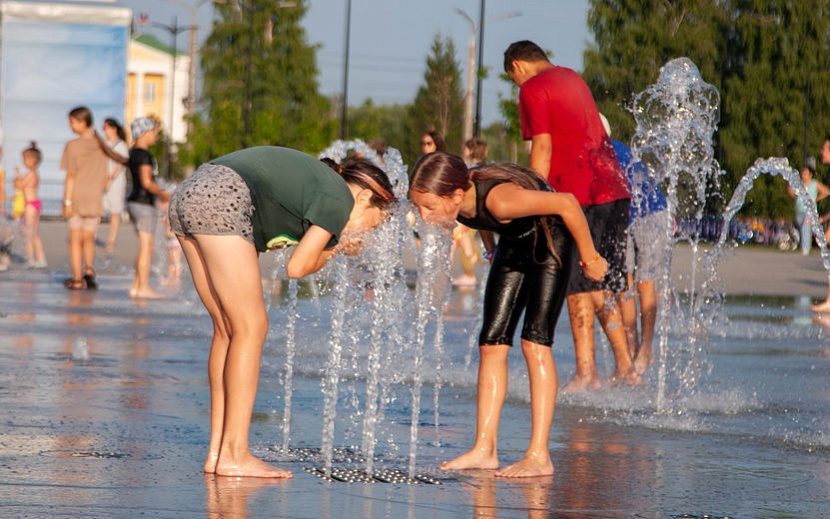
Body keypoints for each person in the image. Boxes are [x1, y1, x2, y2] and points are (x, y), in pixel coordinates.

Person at [168, 146, 396, 478]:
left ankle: (218, 452)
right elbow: (298, 267)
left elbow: (299, 256)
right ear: (364, 198)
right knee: (252, 327)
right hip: (221, 195)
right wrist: (341, 248)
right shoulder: (340, 198)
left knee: (227, 329)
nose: (369, 233)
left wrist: (334, 247)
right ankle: (235, 454)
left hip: (190, 194)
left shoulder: (319, 192)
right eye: (376, 223)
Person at [410, 152, 607, 478]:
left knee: (534, 342)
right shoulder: (462, 199)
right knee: (491, 344)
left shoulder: (500, 201)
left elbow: (568, 203)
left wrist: (590, 258)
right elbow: (479, 219)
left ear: (456, 195)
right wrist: (489, 248)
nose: (423, 215)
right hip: (513, 243)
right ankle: (484, 449)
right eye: (419, 207)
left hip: (550, 242)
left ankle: (539, 455)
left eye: (428, 207)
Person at [504, 40, 640, 391]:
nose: (517, 87)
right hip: (613, 189)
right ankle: (626, 367)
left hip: (580, 195)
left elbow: (543, 147)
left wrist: (532, 197)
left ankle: (586, 372)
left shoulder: (533, 87)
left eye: (512, 79)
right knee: (601, 281)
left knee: (578, 283)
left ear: (518, 66)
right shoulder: (571, 78)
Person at [601, 115, 668, 375]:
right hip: (626, 219)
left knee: (643, 281)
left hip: (649, 214)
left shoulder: (609, 150)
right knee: (625, 283)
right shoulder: (611, 148)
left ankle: (645, 349)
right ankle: (630, 353)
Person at [60, 106, 126, 290]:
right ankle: (89, 271)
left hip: (77, 196)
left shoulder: (73, 145)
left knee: (75, 238)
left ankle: (77, 278)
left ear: (82, 122)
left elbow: (71, 175)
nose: (70, 125)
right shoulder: (101, 144)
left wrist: (66, 201)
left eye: (72, 121)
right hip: (96, 197)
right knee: (89, 237)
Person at [126, 117, 171, 299]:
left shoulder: (133, 153)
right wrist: (165, 194)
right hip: (143, 204)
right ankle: (143, 286)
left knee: (144, 245)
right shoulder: (143, 154)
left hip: (135, 202)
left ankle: (136, 285)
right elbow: (147, 182)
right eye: (153, 132)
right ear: (143, 134)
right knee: (147, 246)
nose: (155, 136)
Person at [451, 138, 490, 286]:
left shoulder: (472, 169)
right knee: (463, 240)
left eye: (466, 148)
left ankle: (471, 272)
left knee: (463, 239)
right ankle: (475, 264)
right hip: (476, 209)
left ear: (472, 150)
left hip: (471, 210)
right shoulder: (484, 167)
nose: (463, 151)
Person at [13, 142, 47, 268]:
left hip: (30, 205)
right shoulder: (35, 174)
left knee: (28, 234)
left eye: (24, 159)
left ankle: (31, 258)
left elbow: (19, 185)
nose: (23, 162)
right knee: (34, 233)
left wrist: (17, 175)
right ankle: (41, 258)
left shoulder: (30, 174)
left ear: (32, 160)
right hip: (36, 204)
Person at [787, 156, 828, 256]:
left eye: (805, 173)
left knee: (806, 225)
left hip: (810, 211)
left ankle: (805, 249)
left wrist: (816, 199)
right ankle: (806, 245)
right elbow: (790, 191)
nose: (803, 175)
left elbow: (826, 191)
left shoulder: (814, 183)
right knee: (803, 228)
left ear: (810, 174)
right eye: (802, 173)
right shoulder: (800, 184)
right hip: (799, 210)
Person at [101, 118, 129, 253]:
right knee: (99, 210)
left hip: (116, 182)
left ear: (113, 128)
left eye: (106, 127)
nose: (104, 130)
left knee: (114, 212)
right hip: (103, 180)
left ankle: (111, 241)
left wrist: (110, 179)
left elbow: (121, 164)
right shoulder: (104, 144)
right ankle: (91, 237)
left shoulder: (121, 145)